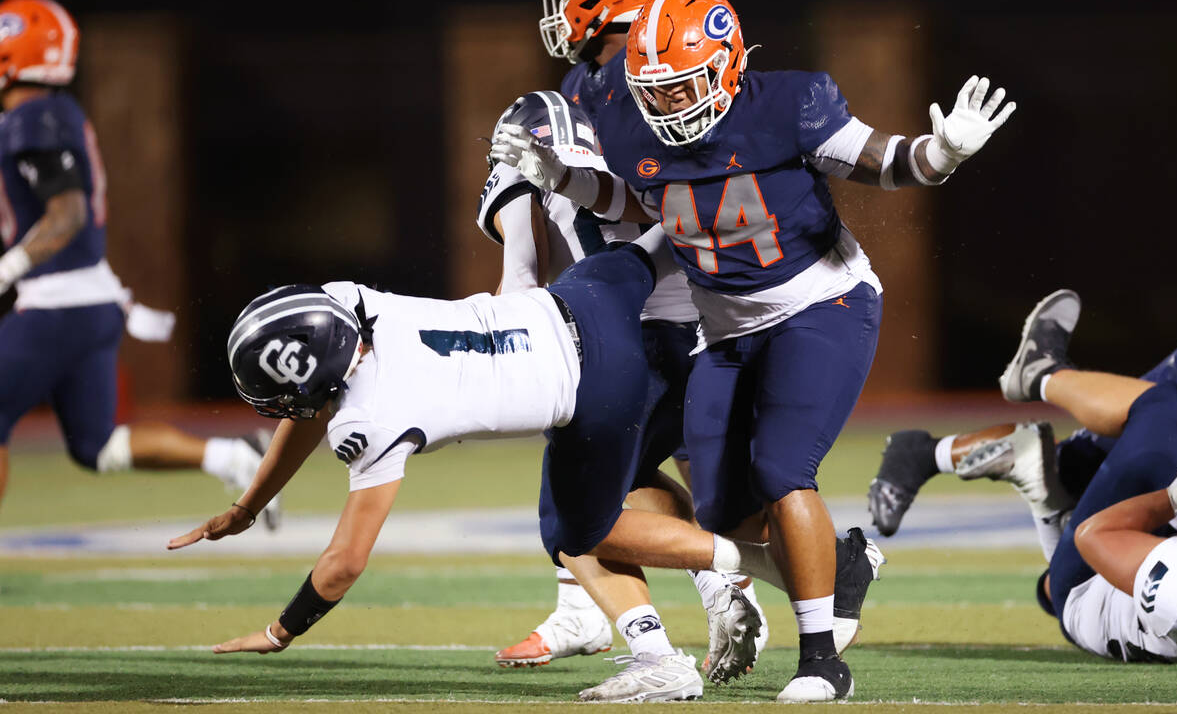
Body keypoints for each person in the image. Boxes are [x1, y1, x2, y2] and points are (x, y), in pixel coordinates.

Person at [489, 0, 1014, 701]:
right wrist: (563, 178)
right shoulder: (631, 122)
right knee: (718, 510)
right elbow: (641, 199)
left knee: (782, 470)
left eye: (684, 86)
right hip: (725, 328)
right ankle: (844, 566)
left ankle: (822, 657)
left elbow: (889, 162)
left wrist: (945, 151)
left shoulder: (789, 105)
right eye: (657, 89)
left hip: (820, 303)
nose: (669, 103)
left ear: (728, 67)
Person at [167, 230, 857, 702]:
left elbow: (344, 562)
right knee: (672, 232)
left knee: (575, 532)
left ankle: (710, 614)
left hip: (593, 386)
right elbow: (307, 410)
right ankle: (800, 242)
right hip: (585, 296)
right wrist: (249, 505)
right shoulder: (346, 299)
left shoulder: (366, 420)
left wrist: (281, 630)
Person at [478, 90, 766, 675]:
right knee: (629, 479)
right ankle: (716, 586)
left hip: (627, 346)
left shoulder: (529, 166)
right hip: (712, 334)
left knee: (571, 510)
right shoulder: (642, 152)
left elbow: (521, 282)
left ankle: (661, 645)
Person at [0, 0, 279, 525]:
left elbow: (68, 215)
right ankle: (233, 454)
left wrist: (7, 268)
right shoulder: (45, 116)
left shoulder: (35, 116)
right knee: (98, 446)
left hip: (60, 301)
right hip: (88, 301)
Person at [869, 290, 1177, 661]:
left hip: (1089, 579)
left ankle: (1043, 375)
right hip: (1142, 563)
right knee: (1170, 421)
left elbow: (1098, 536)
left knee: (1167, 409)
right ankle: (1039, 471)